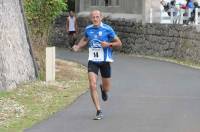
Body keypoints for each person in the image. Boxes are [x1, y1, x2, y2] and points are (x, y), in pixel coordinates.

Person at [72, 10, 122, 120]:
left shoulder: (107, 29)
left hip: (104, 61)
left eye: (97, 17)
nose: (95, 19)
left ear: (101, 17)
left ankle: (103, 90)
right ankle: (99, 111)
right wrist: (78, 46)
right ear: (91, 18)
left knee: (107, 87)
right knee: (92, 84)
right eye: (93, 17)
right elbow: (85, 39)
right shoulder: (88, 29)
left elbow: (119, 43)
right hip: (93, 60)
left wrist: (108, 44)